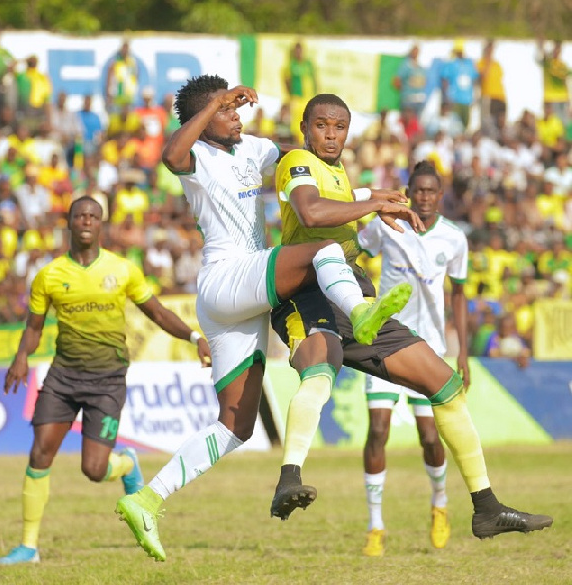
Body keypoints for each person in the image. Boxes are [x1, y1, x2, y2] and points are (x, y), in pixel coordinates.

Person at [114, 74, 419, 562]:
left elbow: (307, 168)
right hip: (227, 276)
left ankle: (147, 499)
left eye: (236, 108)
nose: (236, 116)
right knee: (319, 250)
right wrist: (214, 99)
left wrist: (370, 194)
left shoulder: (254, 150)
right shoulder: (194, 157)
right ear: (204, 116)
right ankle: (361, 314)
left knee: (236, 426)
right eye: (225, 111)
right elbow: (170, 155)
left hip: (248, 292)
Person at [268, 93, 552, 540]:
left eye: (339, 127)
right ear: (305, 128)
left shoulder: (339, 173)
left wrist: (373, 195)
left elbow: (340, 201)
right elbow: (311, 210)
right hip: (309, 292)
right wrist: (374, 205)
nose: (330, 134)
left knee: (445, 385)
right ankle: (288, 478)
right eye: (321, 125)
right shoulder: (297, 160)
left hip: (356, 295)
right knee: (319, 374)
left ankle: (486, 507)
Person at [0, 196, 212, 565]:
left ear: (101, 225)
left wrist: (195, 338)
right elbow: (34, 326)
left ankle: (126, 462)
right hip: (63, 376)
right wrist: (21, 357)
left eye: (93, 216)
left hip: (107, 380)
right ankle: (28, 546)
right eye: (79, 215)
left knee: (94, 470)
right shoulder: (49, 275)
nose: (86, 220)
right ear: (69, 222)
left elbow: (158, 312)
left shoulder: (122, 269)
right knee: (39, 453)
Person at [356, 160, 470, 557]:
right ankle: (376, 526)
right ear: (408, 191)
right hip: (384, 343)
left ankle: (439, 503)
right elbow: (356, 249)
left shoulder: (454, 239)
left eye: (431, 191)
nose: (423, 197)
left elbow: (458, 294)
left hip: (430, 350)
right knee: (378, 431)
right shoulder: (389, 225)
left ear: (440, 195)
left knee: (428, 437)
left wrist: (463, 355)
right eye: (417, 190)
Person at [439, 39, 479, 131]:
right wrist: (447, 97)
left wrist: (475, 96)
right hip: (455, 99)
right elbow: (445, 80)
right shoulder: (451, 63)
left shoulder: (469, 64)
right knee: (455, 124)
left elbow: (475, 80)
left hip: (467, 100)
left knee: (466, 124)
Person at [283, 42, 317, 144]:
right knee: (296, 124)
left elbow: (314, 79)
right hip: (296, 98)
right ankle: (297, 145)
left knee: (309, 120)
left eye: (300, 50)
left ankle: (307, 143)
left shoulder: (308, 64)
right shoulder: (291, 65)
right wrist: (290, 95)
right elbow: (287, 80)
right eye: (296, 51)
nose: (298, 53)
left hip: (308, 98)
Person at [393, 43, 428, 119]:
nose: (416, 53)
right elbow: (396, 81)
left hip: (419, 99)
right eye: (414, 51)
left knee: (415, 124)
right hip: (408, 99)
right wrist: (406, 91)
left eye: (417, 51)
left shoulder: (420, 66)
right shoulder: (406, 65)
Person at [105, 39, 140, 112]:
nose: (125, 50)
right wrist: (109, 95)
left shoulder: (132, 63)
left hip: (129, 98)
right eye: (124, 48)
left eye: (127, 48)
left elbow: (136, 77)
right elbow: (109, 79)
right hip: (117, 97)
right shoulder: (115, 62)